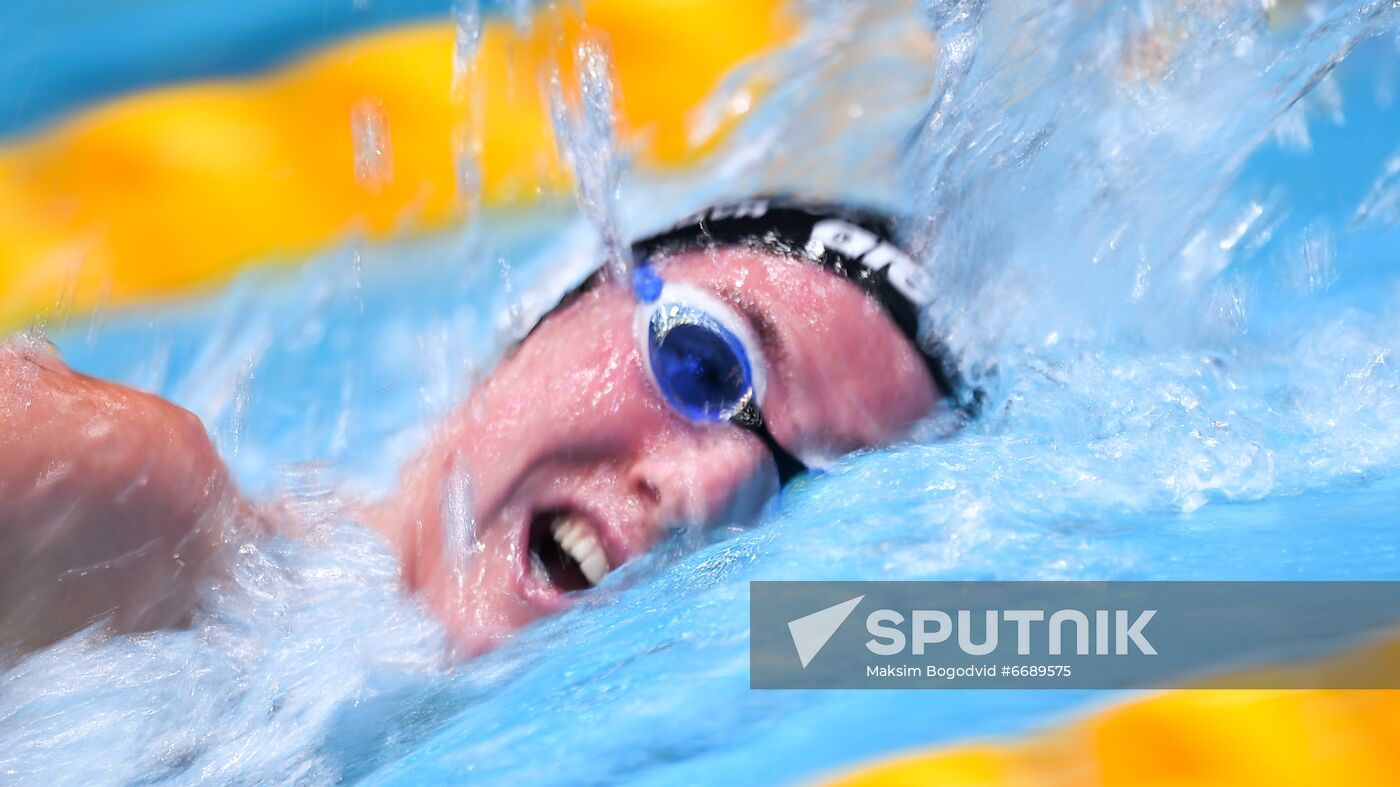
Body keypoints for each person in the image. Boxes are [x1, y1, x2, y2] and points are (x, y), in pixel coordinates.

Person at [0, 196, 969, 656]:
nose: (713, 485)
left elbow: (1106, 637)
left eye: (817, 498)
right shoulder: (118, 515)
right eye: (703, 364)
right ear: (538, 325)